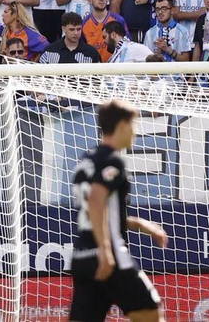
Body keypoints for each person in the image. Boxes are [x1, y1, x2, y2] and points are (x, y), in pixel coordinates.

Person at [69, 99, 168, 322]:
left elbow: (98, 212)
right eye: (134, 125)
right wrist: (105, 250)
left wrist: (139, 224)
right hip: (111, 258)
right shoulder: (113, 160)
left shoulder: (86, 161)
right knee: (152, 317)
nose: (135, 132)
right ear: (122, 126)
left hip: (82, 258)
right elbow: (95, 200)